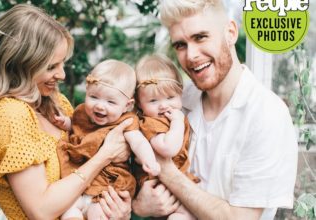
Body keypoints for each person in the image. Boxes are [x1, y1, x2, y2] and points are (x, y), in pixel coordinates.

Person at [132, 0, 298, 219]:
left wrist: (165, 170)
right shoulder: (177, 100)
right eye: (180, 45)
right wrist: (138, 205)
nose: (191, 55)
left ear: (230, 32)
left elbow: (240, 218)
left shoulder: (267, 115)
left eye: (200, 37)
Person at [0, 4, 132, 220]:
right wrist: (105, 154)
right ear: (22, 64)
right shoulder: (9, 115)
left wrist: (118, 208)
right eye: (51, 67)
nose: (62, 74)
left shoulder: (55, 103)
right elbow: (42, 210)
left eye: (62, 63)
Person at [56, 59, 160, 220]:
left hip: (107, 185)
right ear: (86, 91)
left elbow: (138, 142)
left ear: (127, 105)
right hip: (79, 180)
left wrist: (149, 160)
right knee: (68, 210)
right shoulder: (82, 112)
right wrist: (66, 123)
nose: (100, 106)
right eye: (94, 97)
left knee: (99, 213)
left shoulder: (126, 122)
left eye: (110, 102)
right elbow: (75, 125)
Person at [134, 54, 200, 220]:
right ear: (139, 104)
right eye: (153, 100)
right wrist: (178, 122)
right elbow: (167, 148)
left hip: (174, 184)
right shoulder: (151, 123)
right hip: (159, 188)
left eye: (170, 97)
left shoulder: (168, 117)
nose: (164, 105)